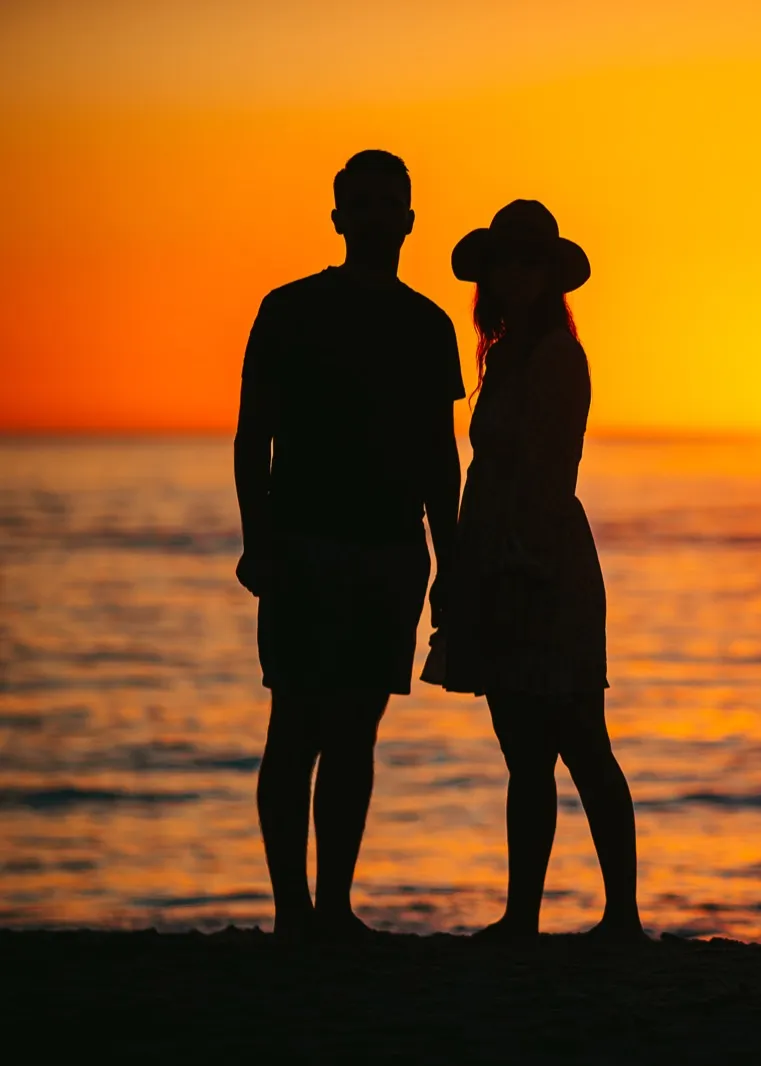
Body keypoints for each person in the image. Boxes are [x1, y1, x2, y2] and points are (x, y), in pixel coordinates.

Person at [233, 150, 464, 941]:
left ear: (407, 218)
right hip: (302, 545)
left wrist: (451, 562)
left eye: (384, 204)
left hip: (390, 551)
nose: (369, 217)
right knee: (294, 726)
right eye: (355, 204)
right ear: (337, 219)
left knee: (356, 734)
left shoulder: (429, 325)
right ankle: (292, 911)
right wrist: (256, 541)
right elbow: (251, 437)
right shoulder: (289, 309)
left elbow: (441, 455)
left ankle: (333, 907)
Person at [425, 199, 643, 942]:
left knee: (580, 738)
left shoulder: (553, 355)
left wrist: (521, 562)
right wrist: (462, 562)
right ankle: (523, 915)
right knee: (524, 749)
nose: (515, 275)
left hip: (540, 558)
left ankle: (619, 915)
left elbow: (549, 470)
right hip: (499, 551)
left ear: (549, 274)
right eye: (504, 263)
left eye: (528, 262)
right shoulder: (508, 352)